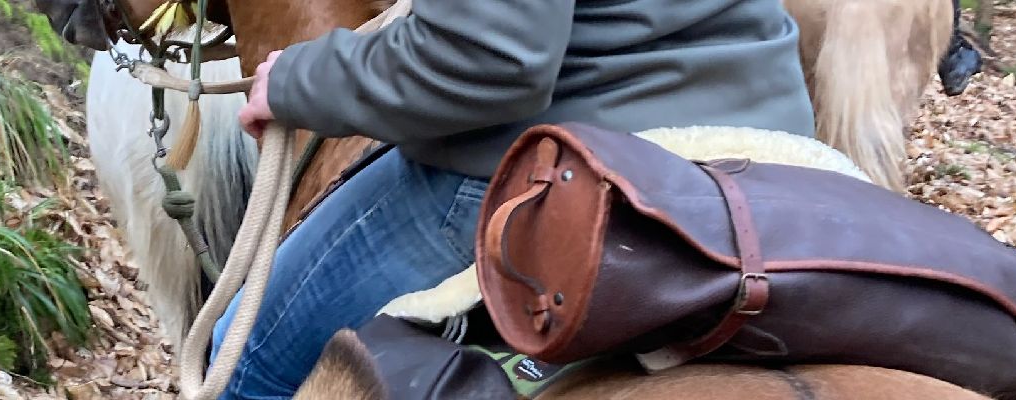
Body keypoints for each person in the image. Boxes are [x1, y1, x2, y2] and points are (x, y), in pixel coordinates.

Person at [209, 0, 820, 398]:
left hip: (570, 153)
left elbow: (490, 55)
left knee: (241, 362)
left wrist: (298, 82)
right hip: (766, 149)